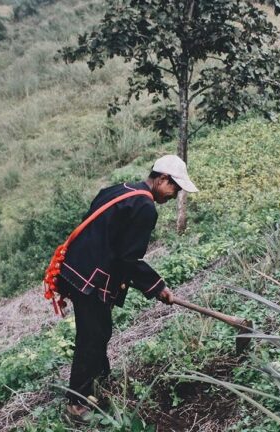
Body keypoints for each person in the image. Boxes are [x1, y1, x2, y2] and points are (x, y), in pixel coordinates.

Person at [55, 154, 198, 420]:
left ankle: (99, 385)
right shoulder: (144, 206)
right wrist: (157, 287)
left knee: (98, 332)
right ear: (162, 179)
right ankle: (76, 405)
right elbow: (128, 258)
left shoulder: (120, 190)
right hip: (91, 279)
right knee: (92, 337)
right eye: (175, 188)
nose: (174, 195)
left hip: (76, 270)